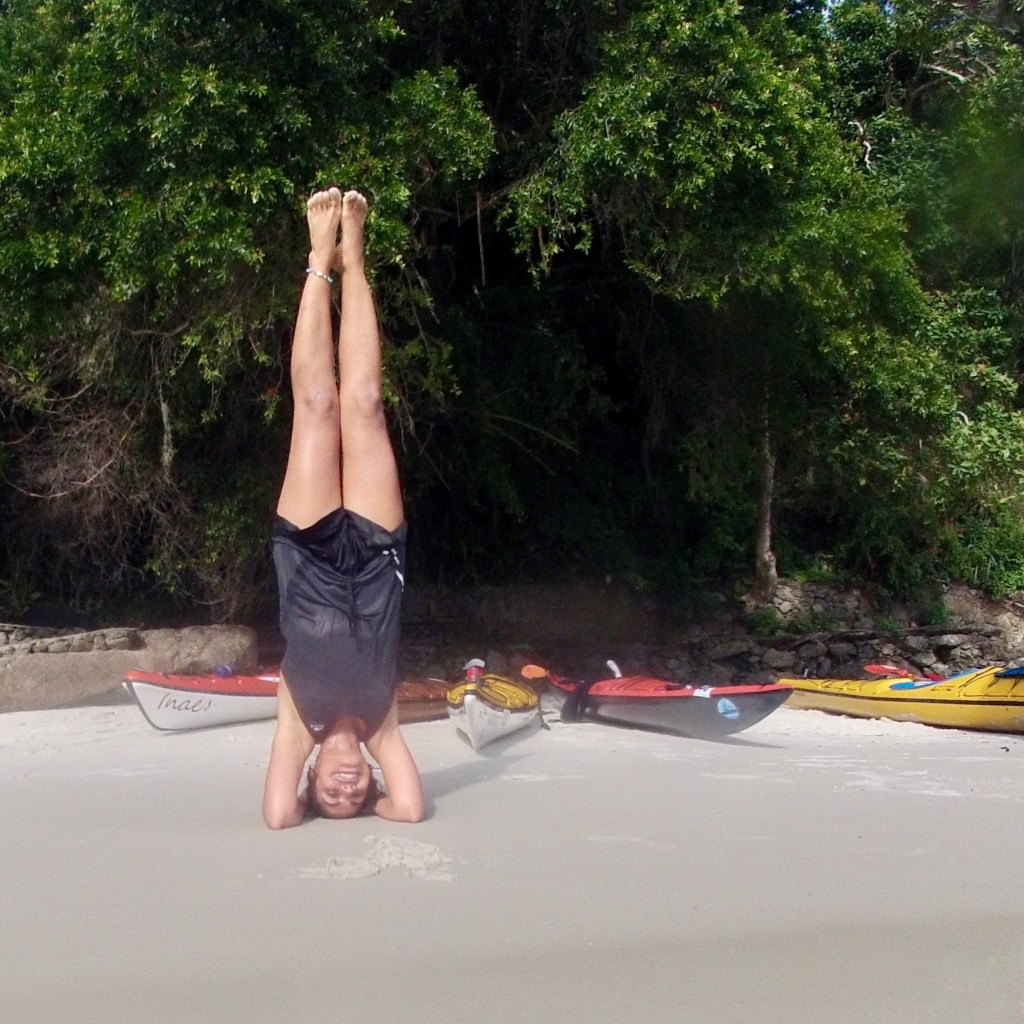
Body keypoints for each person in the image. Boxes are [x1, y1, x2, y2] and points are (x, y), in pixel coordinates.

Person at [262, 187, 424, 829]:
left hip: (306, 558)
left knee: (316, 407)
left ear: (311, 778)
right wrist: (379, 804)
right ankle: (354, 260)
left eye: (330, 797)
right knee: (364, 405)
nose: (346, 792)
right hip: (379, 560)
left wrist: (304, 804)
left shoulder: (297, 724)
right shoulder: (382, 727)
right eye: (355, 799)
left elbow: (279, 817)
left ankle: (318, 260)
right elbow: (408, 809)